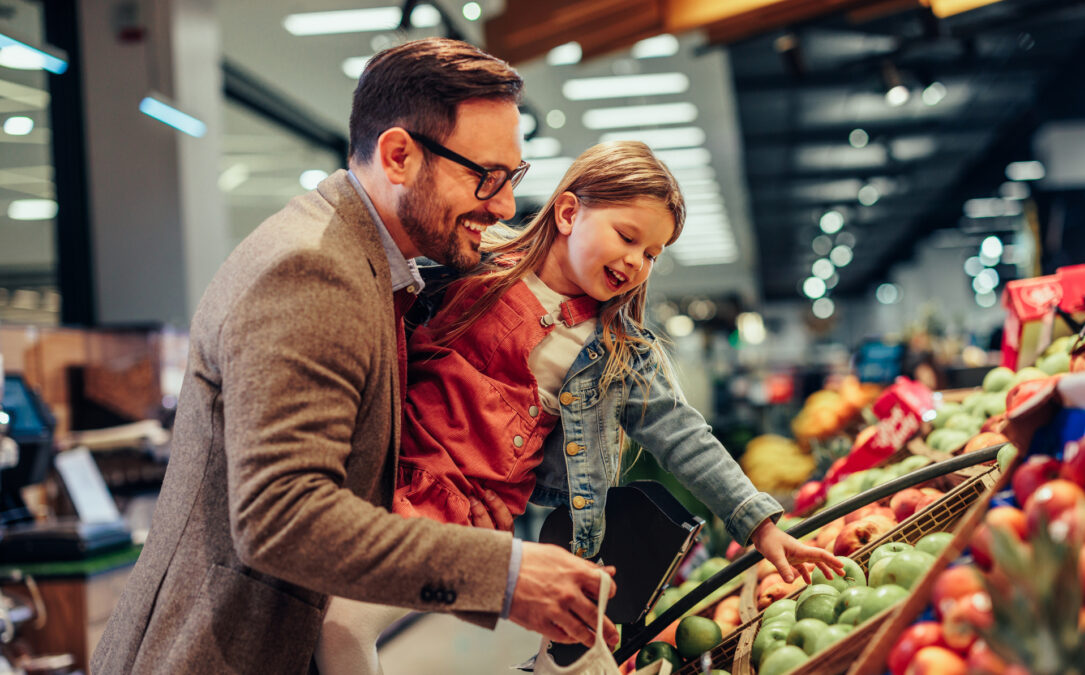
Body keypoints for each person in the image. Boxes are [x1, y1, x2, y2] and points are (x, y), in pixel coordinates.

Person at [92, 38, 618, 675]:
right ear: (399, 155)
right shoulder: (313, 268)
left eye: (514, 179)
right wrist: (504, 576)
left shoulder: (370, 266)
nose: (505, 206)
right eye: (486, 176)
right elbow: (281, 516)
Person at [316, 141, 843, 673]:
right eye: (628, 237)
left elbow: (684, 435)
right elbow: (379, 311)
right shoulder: (471, 270)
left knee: (343, 624)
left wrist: (760, 524)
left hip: (458, 516)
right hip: (376, 477)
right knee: (319, 614)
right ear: (568, 213)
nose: (637, 261)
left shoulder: (620, 353)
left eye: (653, 254)